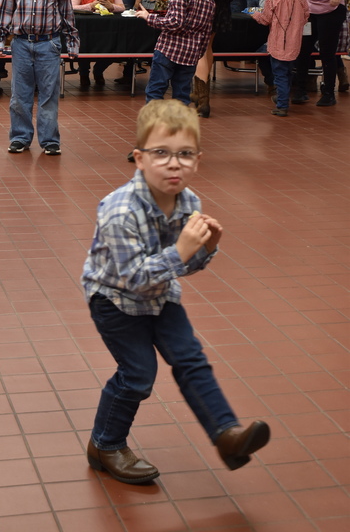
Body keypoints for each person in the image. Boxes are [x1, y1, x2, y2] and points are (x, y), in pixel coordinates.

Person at [82, 99, 270, 485]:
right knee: (138, 374)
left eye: (185, 154)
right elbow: (134, 277)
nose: (174, 163)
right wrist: (181, 250)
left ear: (197, 161)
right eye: (161, 153)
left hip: (160, 296)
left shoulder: (190, 203)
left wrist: (206, 249)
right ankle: (105, 444)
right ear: (139, 159)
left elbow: (183, 268)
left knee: (191, 359)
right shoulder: (119, 211)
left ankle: (226, 436)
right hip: (114, 299)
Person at [0, 0, 79, 155]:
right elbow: (5, 10)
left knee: (49, 95)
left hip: (49, 44)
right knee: (20, 95)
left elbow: (67, 13)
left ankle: (50, 140)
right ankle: (20, 137)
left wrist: (72, 42)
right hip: (21, 43)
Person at [136, 0, 214, 105]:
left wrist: (149, 17)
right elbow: (206, 32)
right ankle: (179, 128)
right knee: (182, 96)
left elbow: (175, 22)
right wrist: (197, 53)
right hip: (190, 55)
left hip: (168, 50)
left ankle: (154, 127)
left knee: (155, 92)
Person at [251, 0, 309, 117]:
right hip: (295, 43)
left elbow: (265, 19)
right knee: (288, 73)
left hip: (277, 43)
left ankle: (282, 104)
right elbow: (305, 17)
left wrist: (252, 12)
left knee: (280, 74)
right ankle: (282, 97)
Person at [71, 0, 125, 88]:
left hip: (106, 28)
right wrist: (90, 5)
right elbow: (71, 6)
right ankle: (84, 74)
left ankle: (99, 70)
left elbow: (122, 7)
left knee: (113, 47)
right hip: (87, 28)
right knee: (85, 47)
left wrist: (111, 6)